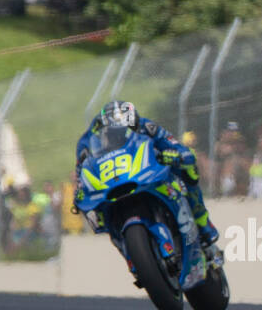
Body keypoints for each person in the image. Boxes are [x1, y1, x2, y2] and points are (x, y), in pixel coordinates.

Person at [76, 100, 218, 246]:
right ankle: (125, 247)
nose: (125, 133)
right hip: (114, 183)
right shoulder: (87, 142)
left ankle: (202, 221)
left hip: (148, 172)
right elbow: (81, 172)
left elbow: (173, 144)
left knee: (187, 170)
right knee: (93, 210)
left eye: (131, 128)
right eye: (115, 131)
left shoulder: (147, 126)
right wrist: (80, 190)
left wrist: (178, 155)